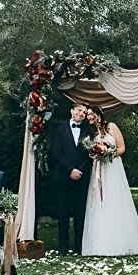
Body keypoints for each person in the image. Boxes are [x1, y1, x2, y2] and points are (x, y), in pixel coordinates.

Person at [81, 105, 138, 256]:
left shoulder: (111, 127)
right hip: (99, 169)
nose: (88, 117)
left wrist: (108, 154)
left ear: (98, 114)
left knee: (114, 199)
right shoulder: (93, 133)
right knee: (99, 201)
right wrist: (96, 155)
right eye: (87, 115)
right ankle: (99, 243)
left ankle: (120, 241)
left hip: (112, 168)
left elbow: (122, 148)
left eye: (91, 114)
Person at [48, 103, 93, 255]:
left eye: (84, 112)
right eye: (79, 110)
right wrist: (70, 170)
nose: (81, 114)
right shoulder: (59, 129)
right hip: (63, 177)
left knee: (81, 213)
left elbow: (91, 155)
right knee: (63, 213)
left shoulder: (88, 130)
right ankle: (63, 248)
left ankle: (80, 247)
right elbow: (55, 152)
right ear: (72, 110)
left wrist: (80, 170)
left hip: (82, 176)